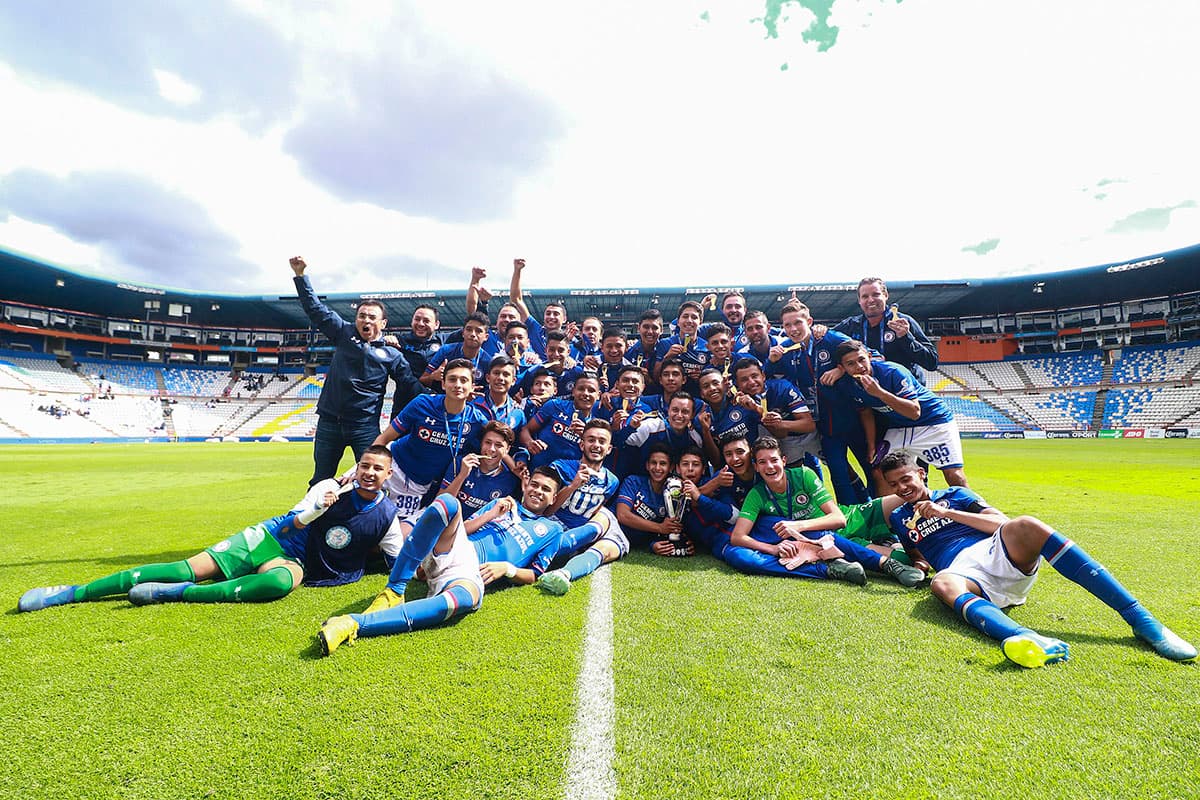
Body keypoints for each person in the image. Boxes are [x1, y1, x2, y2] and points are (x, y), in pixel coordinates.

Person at [879, 452, 1197, 667]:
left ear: (921, 473)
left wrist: (947, 513)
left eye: (906, 479)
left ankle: (1143, 622)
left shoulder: (957, 496)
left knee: (1027, 524)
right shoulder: (898, 517)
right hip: (962, 574)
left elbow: (1003, 524)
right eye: (893, 484)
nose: (901, 488)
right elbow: (920, 556)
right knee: (941, 581)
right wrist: (912, 567)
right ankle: (1026, 638)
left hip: (996, 553)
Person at [19, 447, 402, 611]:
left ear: (388, 475)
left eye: (377, 469)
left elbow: (396, 557)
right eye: (364, 466)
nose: (369, 473)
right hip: (270, 539)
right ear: (358, 467)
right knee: (184, 567)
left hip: (297, 562)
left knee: (278, 585)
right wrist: (318, 507)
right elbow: (291, 524)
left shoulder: (387, 513)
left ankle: (178, 596)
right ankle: (72, 593)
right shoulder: (330, 488)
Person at [317, 467, 608, 654]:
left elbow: (533, 573)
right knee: (447, 503)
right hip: (456, 548)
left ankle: (354, 624)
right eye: (535, 485)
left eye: (546, 490)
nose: (537, 491)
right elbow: (462, 529)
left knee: (463, 601)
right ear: (526, 485)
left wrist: (507, 569)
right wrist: (492, 514)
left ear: (554, 497)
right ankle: (394, 590)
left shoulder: (552, 531)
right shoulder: (502, 503)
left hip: (468, 575)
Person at [289, 257, 422, 485]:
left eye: (372, 317)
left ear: (383, 323)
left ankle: (368, 520)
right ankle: (315, 521)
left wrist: (443, 399)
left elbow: (411, 386)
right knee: (321, 479)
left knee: (371, 479)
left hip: (364, 426)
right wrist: (301, 276)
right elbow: (315, 309)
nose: (366, 320)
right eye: (362, 316)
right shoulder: (343, 333)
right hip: (329, 422)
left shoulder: (392, 355)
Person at [724, 437, 925, 587]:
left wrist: (798, 526)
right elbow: (738, 536)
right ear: (756, 467)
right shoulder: (757, 495)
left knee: (904, 499)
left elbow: (838, 518)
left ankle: (945, 520)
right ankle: (894, 543)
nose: (770, 466)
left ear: (783, 461)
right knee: (904, 559)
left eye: (774, 460)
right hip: (832, 540)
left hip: (851, 518)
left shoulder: (803, 475)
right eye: (762, 462)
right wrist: (774, 549)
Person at [833, 340, 968, 491]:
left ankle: (976, 510)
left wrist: (880, 393)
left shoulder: (893, 372)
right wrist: (871, 446)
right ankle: (892, 514)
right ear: (842, 368)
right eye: (850, 364)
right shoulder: (848, 384)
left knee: (953, 473)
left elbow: (914, 412)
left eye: (861, 359)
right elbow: (866, 412)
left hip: (933, 422)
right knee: (880, 470)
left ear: (869, 357)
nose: (859, 366)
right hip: (900, 427)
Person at [374, 359, 490, 519]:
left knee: (394, 531)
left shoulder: (476, 420)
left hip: (419, 486)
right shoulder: (422, 403)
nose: (457, 384)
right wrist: (366, 465)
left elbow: (499, 442)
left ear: (472, 387)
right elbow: (384, 438)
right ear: (443, 384)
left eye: (464, 380)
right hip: (392, 466)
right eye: (452, 379)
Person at [536, 420, 629, 596]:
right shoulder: (560, 467)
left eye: (602, 441)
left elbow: (594, 511)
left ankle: (566, 571)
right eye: (591, 440)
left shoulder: (612, 481)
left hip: (581, 531)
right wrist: (573, 486)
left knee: (609, 526)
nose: (596, 445)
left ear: (609, 449)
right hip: (552, 527)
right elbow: (544, 511)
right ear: (582, 444)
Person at [834, 277, 938, 386]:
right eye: (865, 296)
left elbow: (932, 363)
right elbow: (825, 341)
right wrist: (839, 369)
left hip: (907, 394)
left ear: (886, 295)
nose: (871, 300)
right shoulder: (851, 325)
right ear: (859, 301)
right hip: (868, 394)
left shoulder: (903, 322)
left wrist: (906, 338)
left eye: (876, 294)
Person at [615, 443, 694, 556]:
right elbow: (622, 515)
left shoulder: (674, 495)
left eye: (663, 464)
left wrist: (683, 542)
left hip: (635, 542)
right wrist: (660, 528)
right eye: (653, 463)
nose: (657, 468)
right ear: (647, 465)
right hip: (615, 531)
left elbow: (668, 529)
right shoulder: (633, 481)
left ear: (671, 467)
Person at [520, 373, 602, 469]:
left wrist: (586, 436)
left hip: (567, 479)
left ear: (598, 395)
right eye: (581, 389)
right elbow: (525, 430)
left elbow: (593, 459)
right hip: (537, 473)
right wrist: (530, 443)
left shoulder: (595, 427)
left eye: (591, 390)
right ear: (573, 391)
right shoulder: (554, 406)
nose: (585, 393)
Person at [441, 420, 522, 516]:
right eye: (488, 442)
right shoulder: (460, 462)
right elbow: (440, 505)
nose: (491, 449)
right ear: (481, 444)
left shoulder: (510, 480)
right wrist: (462, 476)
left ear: (507, 449)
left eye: (498, 445)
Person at [386, 304, 442, 420]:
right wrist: (385, 339)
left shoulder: (445, 341)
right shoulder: (399, 342)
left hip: (435, 407)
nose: (420, 324)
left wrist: (482, 304)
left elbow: (472, 329)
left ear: (436, 324)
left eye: (426, 320)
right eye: (417, 319)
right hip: (404, 407)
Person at [421, 312, 498, 390]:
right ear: (463, 333)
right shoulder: (446, 351)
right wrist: (433, 376)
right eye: (469, 329)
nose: (473, 334)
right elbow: (423, 380)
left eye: (478, 331)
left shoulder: (488, 362)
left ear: (486, 337)